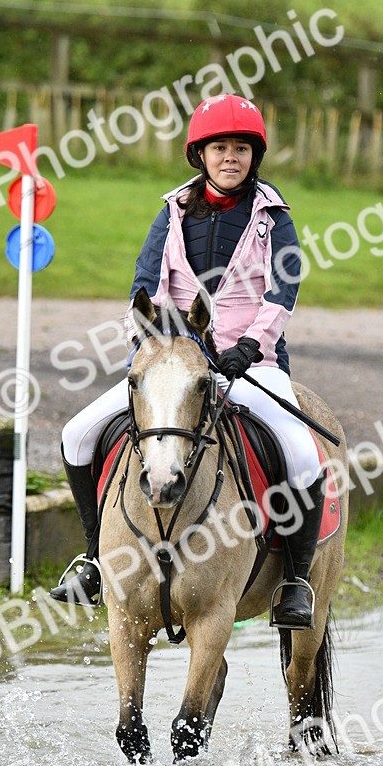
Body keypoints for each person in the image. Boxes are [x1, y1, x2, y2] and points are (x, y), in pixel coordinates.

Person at [50, 93, 326, 629]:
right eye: (220, 147)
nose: (231, 157)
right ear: (200, 154)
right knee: (76, 434)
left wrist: (247, 348)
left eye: (242, 148)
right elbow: (144, 286)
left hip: (252, 364)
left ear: (254, 156)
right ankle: (91, 559)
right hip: (174, 362)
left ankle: (294, 580)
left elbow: (283, 290)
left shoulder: (275, 217)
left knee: (303, 454)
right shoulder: (172, 211)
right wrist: (162, 345)